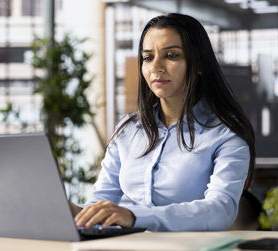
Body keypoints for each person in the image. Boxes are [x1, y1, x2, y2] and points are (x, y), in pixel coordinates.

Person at [73, 13, 255, 232]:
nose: (156, 66)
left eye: (171, 55)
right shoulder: (129, 130)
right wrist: (66, 211)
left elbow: (220, 210)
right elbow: (100, 203)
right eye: (148, 58)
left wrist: (134, 216)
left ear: (198, 65)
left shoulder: (225, 134)